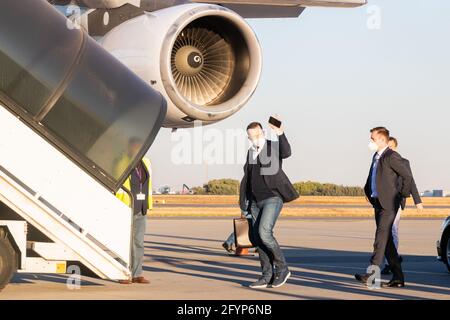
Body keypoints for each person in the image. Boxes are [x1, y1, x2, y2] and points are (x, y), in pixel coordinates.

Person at [239, 117, 299, 289]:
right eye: (250, 137)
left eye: (256, 135)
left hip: (273, 197)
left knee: (265, 233)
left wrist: (279, 131)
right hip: (255, 202)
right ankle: (266, 275)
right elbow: (248, 179)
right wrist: (245, 203)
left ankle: (282, 268)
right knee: (258, 239)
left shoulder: (272, 147)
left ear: (263, 133)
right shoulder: (251, 152)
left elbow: (287, 152)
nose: (254, 138)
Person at [355, 127, 412, 288]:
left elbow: (407, 176)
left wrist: (401, 195)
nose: (370, 142)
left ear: (381, 140)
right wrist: (368, 190)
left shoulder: (392, 156)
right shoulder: (376, 155)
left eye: (372, 139)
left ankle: (371, 275)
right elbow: (372, 175)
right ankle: (398, 277)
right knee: (387, 243)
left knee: (379, 239)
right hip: (378, 203)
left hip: (388, 205)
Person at [381, 137, 423, 275]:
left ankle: (389, 263)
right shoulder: (381, 161)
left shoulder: (404, 162)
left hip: (396, 201)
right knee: (384, 232)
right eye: (388, 147)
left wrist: (417, 201)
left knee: (392, 230)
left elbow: (411, 181)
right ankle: (394, 258)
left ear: (396, 148)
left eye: (392, 147)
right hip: (382, 201)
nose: (390, 149)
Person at [116, 139, 153, 284]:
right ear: (129, 148)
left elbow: (148, 185)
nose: (139, 149)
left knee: (139, 242)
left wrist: (148, 205)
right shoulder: (121, 161)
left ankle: (137, 273)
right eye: (136, 147)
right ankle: (122, 272)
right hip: (126, 206)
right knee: (124, 242)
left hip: (141, 207)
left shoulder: (147, 162)